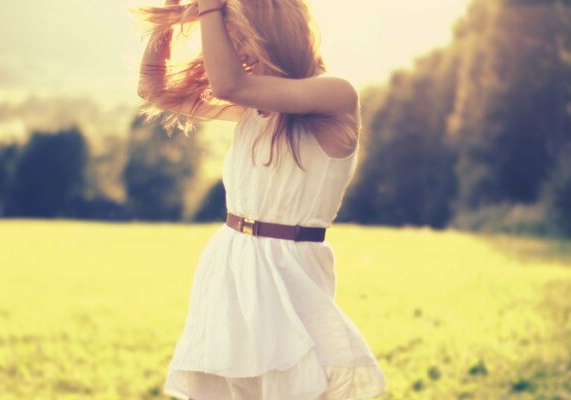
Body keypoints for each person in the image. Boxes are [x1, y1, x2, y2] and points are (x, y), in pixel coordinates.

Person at [134, 0, 387, 398]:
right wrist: (171, 18)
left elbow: (229, 84)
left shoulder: (335, 95)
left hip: (289, 270)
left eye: (241, 39)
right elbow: (153, 90)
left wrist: (210, 9)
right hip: (231, 262)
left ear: (270, 33)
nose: (238, 53)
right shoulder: (254, 107)